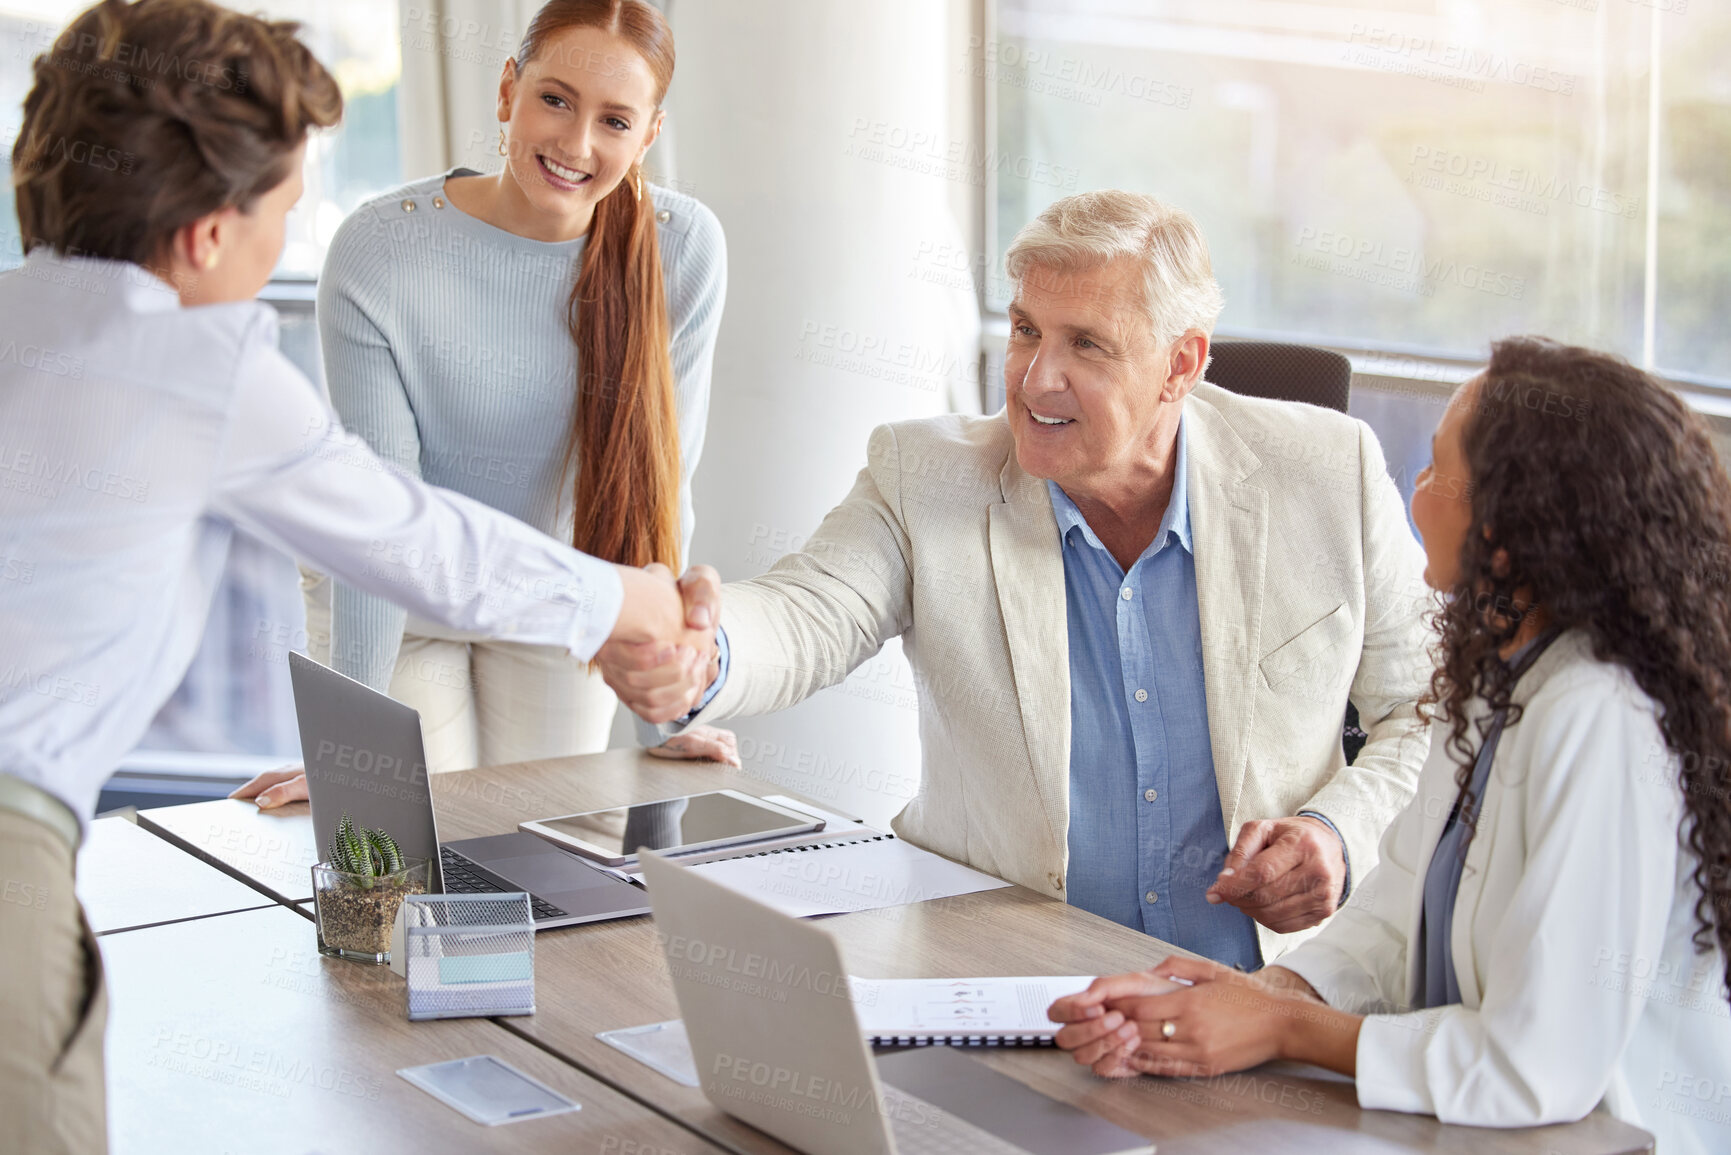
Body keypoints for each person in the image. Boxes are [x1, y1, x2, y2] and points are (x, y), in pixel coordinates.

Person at [0, 2, 714, 1149]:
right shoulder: (197, 369)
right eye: (280, 215)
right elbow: (410, 540)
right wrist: (638, 606)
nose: (287, 245)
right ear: (205, 236)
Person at [601, 190, 1435, 967]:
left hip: (1262, 996)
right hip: (1006, 979)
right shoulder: (923, 474)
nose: (1035, 378)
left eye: (1087, 345)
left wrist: (1337, 833)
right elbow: (808, 613)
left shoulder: (1327, 471)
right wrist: (704, 650)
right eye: (1028, 329)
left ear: (1180, 366)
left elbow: (1426, 710)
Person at [1048, 338, 1731, 1154]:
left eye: (1440, 473)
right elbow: (1395, 906)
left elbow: (1531, 1068)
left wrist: (1283, 1026)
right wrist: (1259, 990)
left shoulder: (1598, 715)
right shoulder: (1496, 674)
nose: (1416, 489)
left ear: (1514, 533)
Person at [234, 0, 734, 812]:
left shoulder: (683, 248)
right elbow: (374, 516)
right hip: (394, 591)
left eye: (614, 120)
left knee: (548, 854)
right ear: (508, 91)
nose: (575, 145)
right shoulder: (380, 249)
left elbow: (661, 483)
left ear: (648, 136)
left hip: (557, 586)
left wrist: (663, 712)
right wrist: (349, 747)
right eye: (555, 99)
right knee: (403, 851)